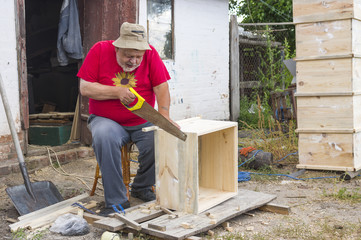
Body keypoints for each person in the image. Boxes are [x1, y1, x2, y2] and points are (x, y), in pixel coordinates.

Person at [77, 22, 174, 216]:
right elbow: (85, 87)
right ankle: (116, 201)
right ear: (117, 47)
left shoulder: (151, 54)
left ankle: (141, 186)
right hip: (106, 120)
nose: (134, 61)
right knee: (104, 136)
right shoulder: (99, 50)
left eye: (138, 56)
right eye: (128, 55)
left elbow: (161, 88)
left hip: (142, 120)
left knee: (161, 137)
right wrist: (117, 92)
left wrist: (163, 117)